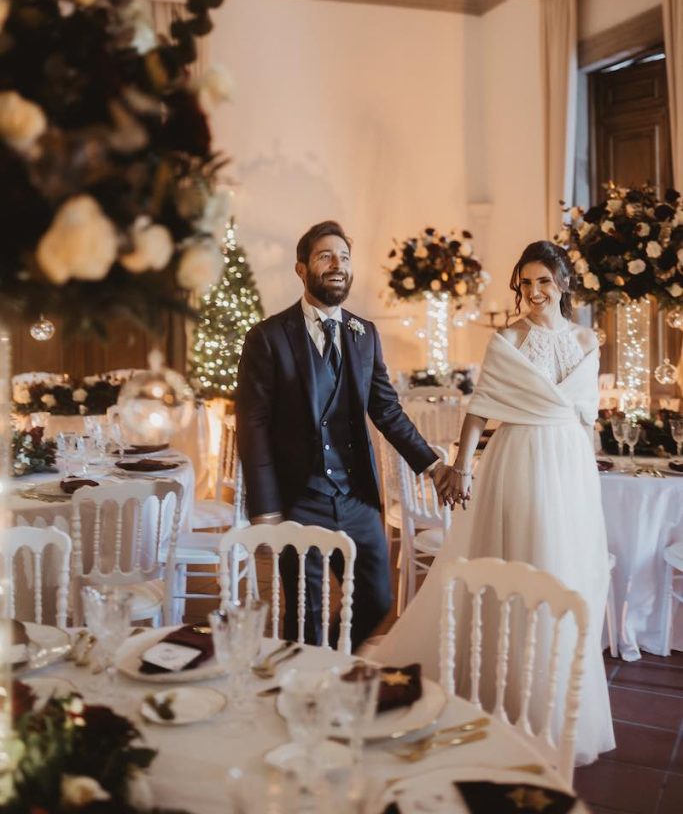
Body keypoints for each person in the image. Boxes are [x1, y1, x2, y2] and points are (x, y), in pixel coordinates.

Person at [374, 240, 615, 765]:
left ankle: (552, 706)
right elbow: (480, 408)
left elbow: (584, 416)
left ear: (564, 284)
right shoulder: (507, 339)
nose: (534, 292)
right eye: (526, 283)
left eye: (544, 281)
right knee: (523, 565)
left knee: (564, 572)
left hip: (570, 464)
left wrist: (589, 470)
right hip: (518, 459)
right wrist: (460, 465)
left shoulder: (585, 340)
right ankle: (500, 697)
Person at [235, 219, 454, 649]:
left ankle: (331, 663)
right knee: (305, 611)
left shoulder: (364, 334)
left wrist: (431, 465)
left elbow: (386, 409)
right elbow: (253, 425)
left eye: (344, 257)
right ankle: (304, 687)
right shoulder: (267, 337)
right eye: (325, 256)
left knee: (376, 599)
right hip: (299, 497)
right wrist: (265, 509)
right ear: (302, 269)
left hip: (354, 497)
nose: (337, 264)